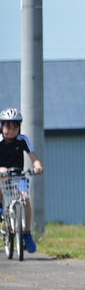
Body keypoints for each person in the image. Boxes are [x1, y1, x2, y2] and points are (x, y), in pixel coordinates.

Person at [0, 108, 43, 253]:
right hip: (1, 175)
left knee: (25, 199)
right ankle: (2, 213)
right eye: (7, 127)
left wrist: (37, 166)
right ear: (2, 127)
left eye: (14, 127)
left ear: (19, 128)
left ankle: (27, 233)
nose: (11, 131)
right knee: (1, 187)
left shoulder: (23, 140)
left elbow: (33, 156)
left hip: (18, 176)